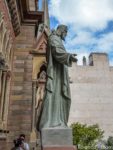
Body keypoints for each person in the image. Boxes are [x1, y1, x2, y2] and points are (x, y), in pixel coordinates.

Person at [37, 25, 77, 131]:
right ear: (62, 30)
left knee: (61, 98)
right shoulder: (53, 38)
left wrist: (67, 56)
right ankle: (51, 122)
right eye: (66, 32)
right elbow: (56, 51)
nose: (66, 35)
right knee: (55, 97)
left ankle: (59, 121)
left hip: (60, 74)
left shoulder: (57, 39)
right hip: (56, 75)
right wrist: (68, 56)